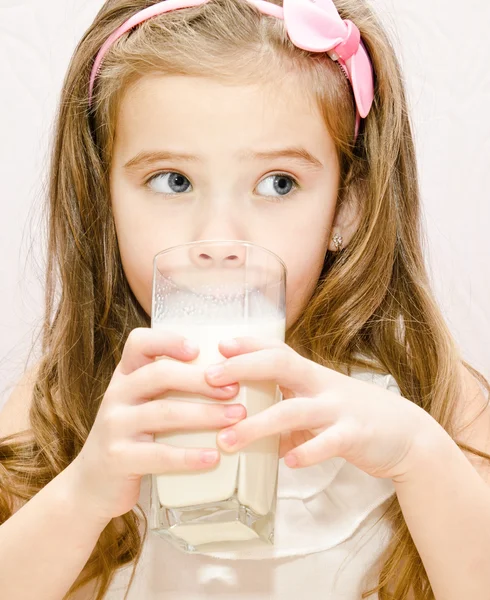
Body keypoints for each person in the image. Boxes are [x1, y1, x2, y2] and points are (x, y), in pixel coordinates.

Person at [0, 0, 489, 598]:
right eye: (173, 180)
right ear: (107, 203)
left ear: (347, 206)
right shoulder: (61, 406)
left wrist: (421, 459)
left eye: (278, 183)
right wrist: (81, 494)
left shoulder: (437, 399)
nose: (220, 239)